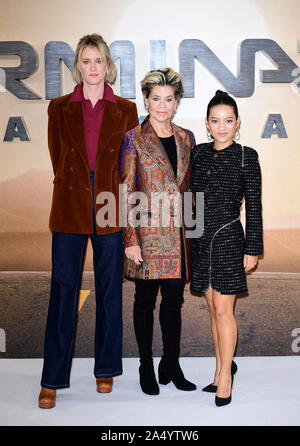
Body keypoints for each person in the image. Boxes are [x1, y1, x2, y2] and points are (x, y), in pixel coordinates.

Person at [38, 34, 138, 409]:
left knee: (110, 291)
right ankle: (52, 379)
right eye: (86, 60)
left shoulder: (126, 109)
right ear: (77, 65)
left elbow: (127, 164)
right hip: (69, 206)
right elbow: (57, 158)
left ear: (107, 65)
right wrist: (78, 186)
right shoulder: (59, 107)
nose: (92, 67)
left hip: (110, 206)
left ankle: (106, 369)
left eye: (98, 61)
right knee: (63, 291)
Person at [119, 68, 196, 395]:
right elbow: (124, 190)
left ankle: (171, 363)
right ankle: (146, 365)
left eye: (168, 99)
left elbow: (190, 189)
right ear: (146, 100)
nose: (162, 106)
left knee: (173, 302)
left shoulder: (186, 137)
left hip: (179, 237)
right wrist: (130, 239)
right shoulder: (133, 138)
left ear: (176, 101)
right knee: (144, 300)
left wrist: (194, 233)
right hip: (147, 236)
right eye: (156, 99)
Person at [190, 90, 263, 406]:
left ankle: (226, 379)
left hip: (231, 240)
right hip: (201, 241)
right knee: (212, 309)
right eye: (216, 121)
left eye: (228, 121)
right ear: (207, 123)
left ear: (237, 123)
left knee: (223, 310)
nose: (222, 127)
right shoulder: (198, 154)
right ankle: (221, 369)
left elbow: (255, 207)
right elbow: (192, 201)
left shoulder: (247, 156)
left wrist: (253, 248)